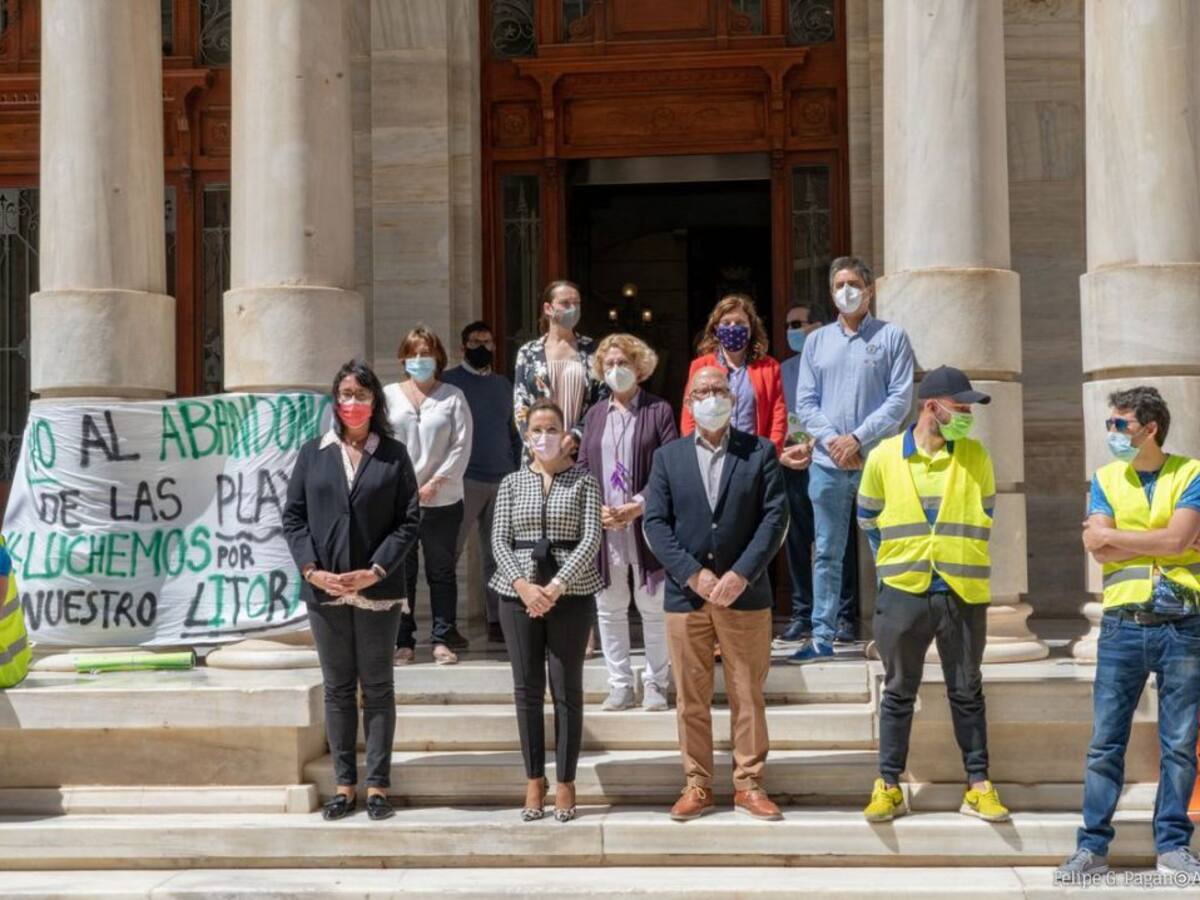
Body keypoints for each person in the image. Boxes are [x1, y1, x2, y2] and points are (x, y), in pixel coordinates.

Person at [1056, 387, 1200, 881]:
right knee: (1104, 743)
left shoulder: (1192, 472)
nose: (1112, 434)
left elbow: (1177, 540)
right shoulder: (1104, 479)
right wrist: (1158, 542)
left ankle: (1173, 847)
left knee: (1179, 743)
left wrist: (1118, 538)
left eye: (1120, 425)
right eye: (1110, 425)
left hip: (1184, 622)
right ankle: (1091, 848)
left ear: (1149, 428)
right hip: (1122, 624)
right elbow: (1098, 549)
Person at [854, 365, 1008, 825]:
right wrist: (899, 561)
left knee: (967, 690)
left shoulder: (976, 456)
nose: (966, 416)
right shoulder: (883, 456)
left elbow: (986, 513)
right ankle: (888, 785)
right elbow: (868, 519)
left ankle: (978, 786)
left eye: (969, 409)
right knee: (898, 691)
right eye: (960, 408)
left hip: (961, 589)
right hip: (903, 591)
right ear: (931, 407)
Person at [643, 366, 789, 822]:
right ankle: (698, 784)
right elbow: (655, 524)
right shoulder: (668, 457)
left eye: (719, 389)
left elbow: (774, 519)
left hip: (745, 596)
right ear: (688, 403)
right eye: (702, 391)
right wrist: (694, 576)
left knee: (748, 693)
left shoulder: (760, 452)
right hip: (687, 600)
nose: (711, 397)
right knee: (691, 697)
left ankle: (749, 783)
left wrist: (741, 574)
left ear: (732, 397)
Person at [283, 359, 421, 822]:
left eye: (361, 395)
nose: (352, 403)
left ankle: (378, 785)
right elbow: (294, 518)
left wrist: (376, 569)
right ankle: (344, 785)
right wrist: (311, 570)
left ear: (374, 402)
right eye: (345, 394)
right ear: (334, 400)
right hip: (325, 590)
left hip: (377, 590)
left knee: (378, 687)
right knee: (339, 689)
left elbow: (408, 521)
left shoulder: (394, 454)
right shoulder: (312, 453)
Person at [791, 256, 914, 663]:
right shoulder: (816, 342)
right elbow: (805, 402)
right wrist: (833, 441)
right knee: (826, 550)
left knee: (885, 549)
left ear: (869, 289)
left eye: (853, 284)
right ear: (831, 292)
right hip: (828, 464)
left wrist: (858, 439)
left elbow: (900, 399)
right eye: (839, 284)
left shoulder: (892, 337)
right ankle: (822, 635)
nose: (846, 291)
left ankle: (887, 634)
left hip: (877, 463)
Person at [491, 399, 603, 823]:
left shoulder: (584, 483)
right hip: (517, 591)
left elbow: (591, 539)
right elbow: (498, 540)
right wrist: (524, 587)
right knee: (527, 688)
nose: (543, 437)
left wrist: (555, 587)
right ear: (526, 435)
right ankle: (534, 778)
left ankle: (566, 781)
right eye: (536, 429)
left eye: (551, 429)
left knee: (565, 687)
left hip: (570, 593)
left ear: (565, 435)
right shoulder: (511, 484)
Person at [577, 333, 678, 712]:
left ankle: (656, 683)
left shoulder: (659, 411)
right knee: (610, 605)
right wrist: (597, 507)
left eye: (624, 363)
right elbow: (584, 466)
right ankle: (619, 684)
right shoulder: (595, 415)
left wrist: (639, 505)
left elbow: (668, 467)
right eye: (610, 365)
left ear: (641, 368)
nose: (616, 370)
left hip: (644, 523)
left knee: (653, 605)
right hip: (606, 526)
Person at [385, 326, 473, 665]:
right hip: (399, 499)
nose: (420, 360)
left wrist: (436, 482)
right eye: (413, 353)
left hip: (443, 498)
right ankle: (403, 640)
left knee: (441, 570)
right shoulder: (389, 395)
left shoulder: (453, 395)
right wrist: (402, 485)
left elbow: (462, 445)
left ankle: (441, 637)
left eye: (426, 353)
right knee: (401, 572)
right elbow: (382, 443)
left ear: (438, 357)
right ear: (403, 358)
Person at [776, 302, 858, 647]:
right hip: (795, 465)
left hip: (834, 461)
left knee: (839, 542)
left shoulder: (838, 364)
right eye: (788, 325)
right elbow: (781, 414)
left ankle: (844, 616)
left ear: (818, 326)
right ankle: (803, 613)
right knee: (797, 541)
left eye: (799, 323)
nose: (792, 330)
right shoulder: (784, 369)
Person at [442, 321, 523, 645]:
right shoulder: (448, 382)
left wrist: (516, 471)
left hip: (502, 480)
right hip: (464, 481)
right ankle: (444, 625)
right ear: (463, 347)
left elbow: (514, 433)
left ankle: (497, 621)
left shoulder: (504, 385)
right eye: (475, 341)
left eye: (487, 342)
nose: (482, 347)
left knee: (498, 554)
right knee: (449, 554)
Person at [680, 292, 786, 452]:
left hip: (755, 454)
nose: (732, 327)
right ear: (716, 328)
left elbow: (778, 416)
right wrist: (696, 453)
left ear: (750, 329)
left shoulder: (770, 368)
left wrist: (771, 454)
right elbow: (689, 413)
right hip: (712, 452)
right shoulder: (700, 366)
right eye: (726, 322)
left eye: (739, 322)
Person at [513, 280, 604, 453]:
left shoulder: (593, 350)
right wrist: (533, 440)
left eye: (577, 303)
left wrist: (575, 436)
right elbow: (520, 402)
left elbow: (601, 401)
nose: (573, 308)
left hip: (580, 452)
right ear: (548, 308)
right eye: (565, 303)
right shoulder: (528, 353)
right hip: (538, 452)